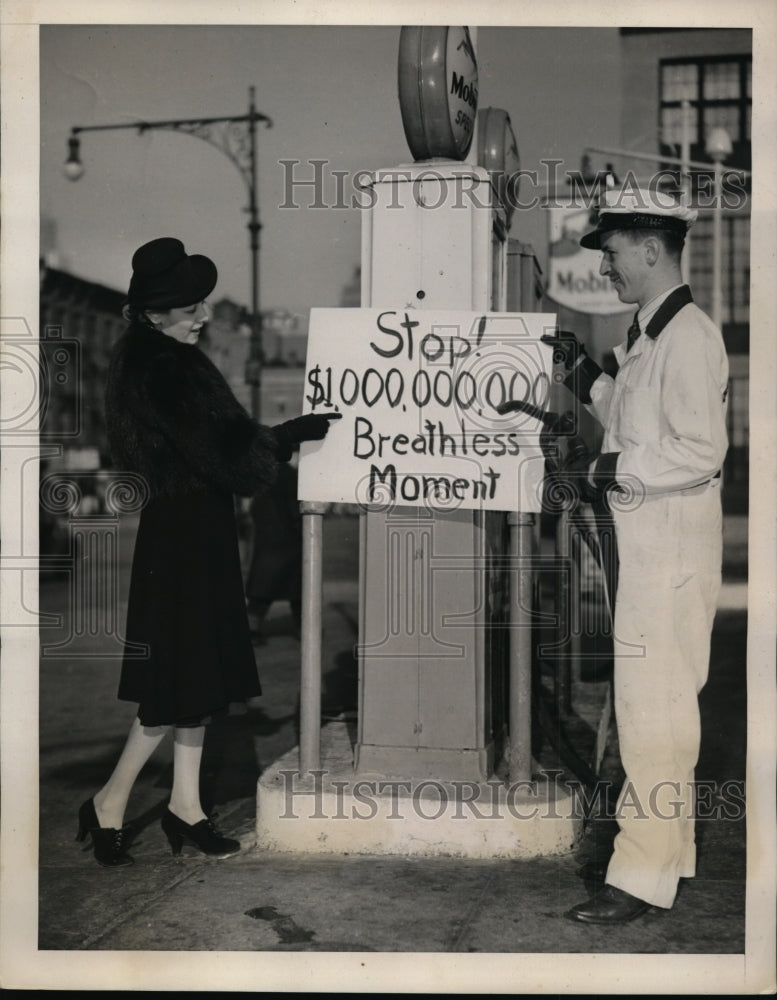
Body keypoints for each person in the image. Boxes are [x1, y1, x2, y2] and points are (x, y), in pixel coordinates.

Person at [77, 237, 340, 867]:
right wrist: (285, 437)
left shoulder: (145, 355)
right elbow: (226, 454)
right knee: (174, 685)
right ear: (159, 312)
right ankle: (111, 801)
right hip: (185, 539)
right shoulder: (166, 364)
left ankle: (184, 807)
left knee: (194, 681)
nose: (205, 317)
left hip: (187, 531)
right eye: (193, 307)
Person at [542, 185, 729, 924]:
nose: (607, 267)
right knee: (656, 712)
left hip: (669, 557)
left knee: (652, 716)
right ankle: (665, 860)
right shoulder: (651, 333)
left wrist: (598, 472)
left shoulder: (689, 336)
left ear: (651, 250)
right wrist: (577, 370)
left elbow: (697, 451)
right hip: (646, 551)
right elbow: (625, 408)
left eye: (613, 253)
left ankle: (637, 880)